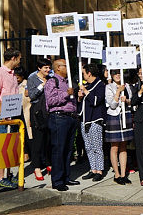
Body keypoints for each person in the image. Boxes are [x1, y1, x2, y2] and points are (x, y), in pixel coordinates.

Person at [45, 59, 78, 191]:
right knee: (59, 149)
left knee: (68, 149)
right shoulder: (52, 81)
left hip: (71, 117)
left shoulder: (68, 82)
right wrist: (66, 94)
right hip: (59, 117)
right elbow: (51, 100)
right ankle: (57, 180)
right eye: (65, 65)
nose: (67, 68)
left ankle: (66, 176)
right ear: (58, 68)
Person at [0, 47, 21, 188]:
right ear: (13, 58)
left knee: (10, 147)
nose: (20, 61)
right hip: (2, 117)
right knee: (1, 147)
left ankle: (8, 175)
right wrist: (2, 113)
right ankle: (0, 178)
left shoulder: (13, 74)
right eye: (19, 58)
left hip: (13, 115)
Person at [78, 63, 107, 182]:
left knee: (97, 147)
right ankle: (93, 169)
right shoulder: (88, 85)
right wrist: (80, 97)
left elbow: (95, 101)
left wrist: (85, 91)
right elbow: (83, 104)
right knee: (88, 147)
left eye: (84, 73)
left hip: (95, 120)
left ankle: (99, 170)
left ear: (89, 73)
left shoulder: (100, 85)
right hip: (84, 120)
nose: (83, 76)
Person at [105, 70, 134, 185]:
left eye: (119, 73)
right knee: (114, 146)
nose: (117, 75)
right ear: (112, 75)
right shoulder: (109, 87)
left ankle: (123, 174)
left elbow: (131, 101)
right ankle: (116, 174)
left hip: (125, 116)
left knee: (123, 146)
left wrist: (126, 100)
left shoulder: (127, 86)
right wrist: (118, 92)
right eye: (115, 73)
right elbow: (112, 104)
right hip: (114, 116)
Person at [26, 58, 52, 181]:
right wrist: (42, 85)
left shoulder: (51, 78)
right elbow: (31, 95)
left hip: (48, 110)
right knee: (38, 140)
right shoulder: (32, 79)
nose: (48, 70)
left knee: (48, 139)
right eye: (45, 68)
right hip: (37, 111)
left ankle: (48, 163)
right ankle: (36, 166)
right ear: (39, 68)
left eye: (49, 67)